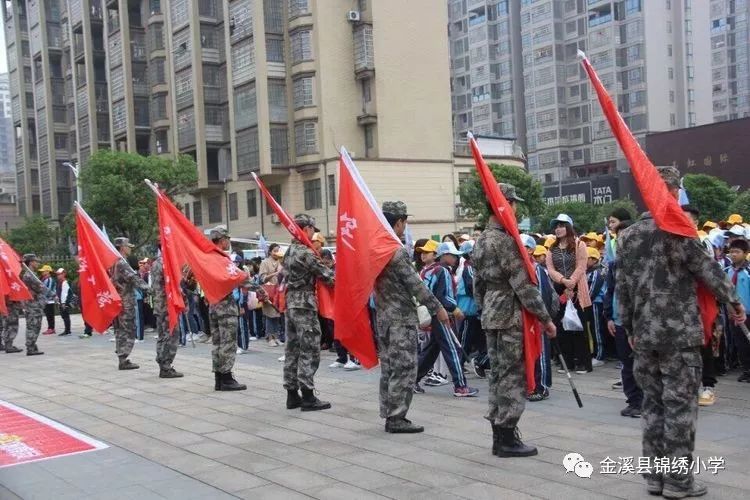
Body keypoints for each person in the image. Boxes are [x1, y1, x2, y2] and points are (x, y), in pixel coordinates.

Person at [617, 166, 746, 498]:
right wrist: (734, 302)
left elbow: (623, 289)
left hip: (644, 334)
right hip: (679, 336)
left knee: (653, 405)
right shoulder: (680, 230)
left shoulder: (628, 236)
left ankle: (655, 478)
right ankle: (678, 481)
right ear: (673, 192)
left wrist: (629, 326)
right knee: (679, 407)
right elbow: (709, 271)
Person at [472, 183, 557, 458]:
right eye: (514, 203)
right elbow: (522, 285)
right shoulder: (506, 241)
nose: (517, 208)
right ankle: (507, 436)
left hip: (491, 312)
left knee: (498, 374)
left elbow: (478, 284)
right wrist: (545, 318)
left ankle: (499, 435)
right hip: (509, 314)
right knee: (512, 376)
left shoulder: (482, 239)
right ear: (504, 205)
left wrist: (483, 308)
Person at [376, 201, 448, 433]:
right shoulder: (396, 251)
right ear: (398, 222)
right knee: (404, 367)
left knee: (389, 367)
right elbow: (416, 285)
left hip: (384, 317)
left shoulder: (376, 248)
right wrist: (438, 308)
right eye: (404, 223)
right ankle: (397, 417)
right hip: (400, 319)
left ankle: (389, 412)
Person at [283, 214, 335, 411]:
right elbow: (327, 277)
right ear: (305, 229)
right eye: (313, 229)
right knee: (309, 349)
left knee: (292, 349)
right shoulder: (306, 252)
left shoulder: (289, 251)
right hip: (305, 304)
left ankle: (291, 394)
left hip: (291, 303)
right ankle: (307, 395)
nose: (314, 234)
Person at [415, 240, 478, 398]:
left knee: (431, 350)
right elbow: (445, 296)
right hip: (442, 314)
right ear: (442, 255)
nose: (455, 258)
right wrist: (455, 309)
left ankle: (411, 380)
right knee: (452, 349)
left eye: (426, 252)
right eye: (452, 255)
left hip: (432, 313)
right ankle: (461, 386)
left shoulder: (425, 271)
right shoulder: (442, 271)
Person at [603, 218, 643, 418]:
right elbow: (610, 291)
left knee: (644, 362)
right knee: (627, 364)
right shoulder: (614, 265)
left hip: (642, 322)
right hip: (620, 321)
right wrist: (609, 316)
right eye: (618, 237)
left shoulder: (645, 263)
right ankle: (634, 401)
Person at [546, 214, 593, 374]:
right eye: (556, 226)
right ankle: (567, 362)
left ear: (569, 227)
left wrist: (571, 282)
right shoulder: (552, 248)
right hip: (560, 289)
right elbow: (550, 269)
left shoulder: (580, 244)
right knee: (562, 327)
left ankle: (583, 363)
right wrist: (563, 281)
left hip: (578, 289)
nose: (558, 229)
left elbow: (581, 265)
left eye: (562, 225)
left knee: (579, 328)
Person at [521, 235, 559, 402]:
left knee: (541, 353)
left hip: (538, 319)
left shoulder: (538, 270)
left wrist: (544, 318)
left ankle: (541, 386)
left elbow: (545, 296)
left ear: (530, 249)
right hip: (522, 319)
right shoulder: (517, 268)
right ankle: (528, 384)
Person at [208, 227, 247, 391]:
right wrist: (260, 290)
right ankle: (226, 378)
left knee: (217, 343)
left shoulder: (207, 258)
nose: (228, 242)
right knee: (228, 343)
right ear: (222, 239)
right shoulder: (222, 259)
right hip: (226, 307)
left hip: (213, 305)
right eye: (227, 239)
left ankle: (218, 378)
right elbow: (237, 278)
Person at [111, 238, 150, 369]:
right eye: (128, 246)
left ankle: (122, 356)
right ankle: (123, 357)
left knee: (120, 329)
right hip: (125, 300)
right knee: (128, 329)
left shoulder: (114, 261)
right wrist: (148, 288)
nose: (130, 249)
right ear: (122, 247)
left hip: (118, 299)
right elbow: (133, 278)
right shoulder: (121, 262)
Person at [150, 245, 183, 379]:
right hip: (167, 305)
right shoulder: (166, 263)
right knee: (171, 335)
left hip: (159, 305)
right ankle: (166, 366)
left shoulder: (156, 263)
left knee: (162, 335)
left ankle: (162, 364)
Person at [725, 239, 750, 383]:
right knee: (740, 342)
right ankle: (746, 369)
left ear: (746, 253)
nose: (733, 255)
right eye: (731, 251)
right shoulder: (726, 271)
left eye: (737, 252)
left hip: (748, 313)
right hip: (733, 313)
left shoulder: (748, 271)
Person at [259, 244, 284, 346]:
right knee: (270, 314)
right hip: (268, 291)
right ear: (270, 252)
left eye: (278, 251)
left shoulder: (280, 261)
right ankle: (269, 337)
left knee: (277, 314)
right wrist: (275, 273)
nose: (276, 253)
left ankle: (276, 336)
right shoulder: (265, 262)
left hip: (279, 291)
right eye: (274, 251)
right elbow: (262, 278)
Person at [586, 247, 607, 367]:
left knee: (597, 329)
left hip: (596, 303)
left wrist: (584, 301)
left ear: (594, 259)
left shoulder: (597, 272)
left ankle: (600, 355)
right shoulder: (589, 271)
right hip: (591, 303)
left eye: (587, 258)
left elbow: (592, 291)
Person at [55, 268, 72, 337]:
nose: (58, 276)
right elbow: (59, 292)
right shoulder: (60, 282)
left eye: (59, 274)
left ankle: (68, 331)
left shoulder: (65, 282)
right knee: (64, 316)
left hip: (64, 302)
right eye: (57, 274)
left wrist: (64, 303)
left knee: (65, 316)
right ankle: (67, 330)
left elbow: (66, 293)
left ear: (64, 274)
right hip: (61, 302)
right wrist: (57, 297)